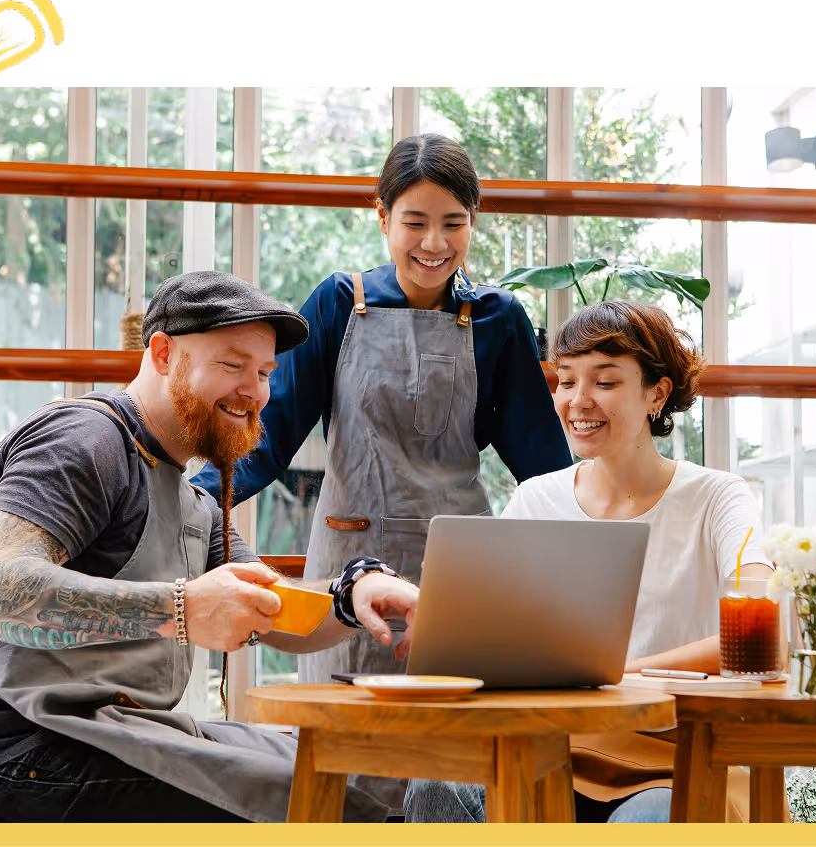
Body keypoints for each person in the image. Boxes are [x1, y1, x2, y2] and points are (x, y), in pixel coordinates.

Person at [0, 271, 421, 823]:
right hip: (14, 761)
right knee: (328, 808)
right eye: (232, 365)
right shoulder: (85, 440)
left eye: (263, 372)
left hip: (118, 739)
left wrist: (353, 592)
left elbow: (273, 613)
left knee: (359, 778)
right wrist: (182, 609)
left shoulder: (194, 502)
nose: (253, 391)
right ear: (162, 354)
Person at [192, 133, 572, 687]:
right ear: (383, 217)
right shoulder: (338, 303)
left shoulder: (500, 317)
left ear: (473, 221)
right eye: (415, 222)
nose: (434, 242)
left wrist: (600, 551)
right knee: (348, 754)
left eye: (453, 222)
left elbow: (542, 467)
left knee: (457, 754)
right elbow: (268, 440)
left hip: (461, 570)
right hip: (350, 568)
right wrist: (191, 499)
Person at [403, 300, 772, 823]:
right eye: (567, 380)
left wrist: (613, 677)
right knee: (436, 786)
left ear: (656, 394)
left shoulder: (717, 497)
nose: (578, 401)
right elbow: (490, 634)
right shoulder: (536, 499)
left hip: (677, 758)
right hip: (550, 751)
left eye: (605, 382)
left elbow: (759, 631)